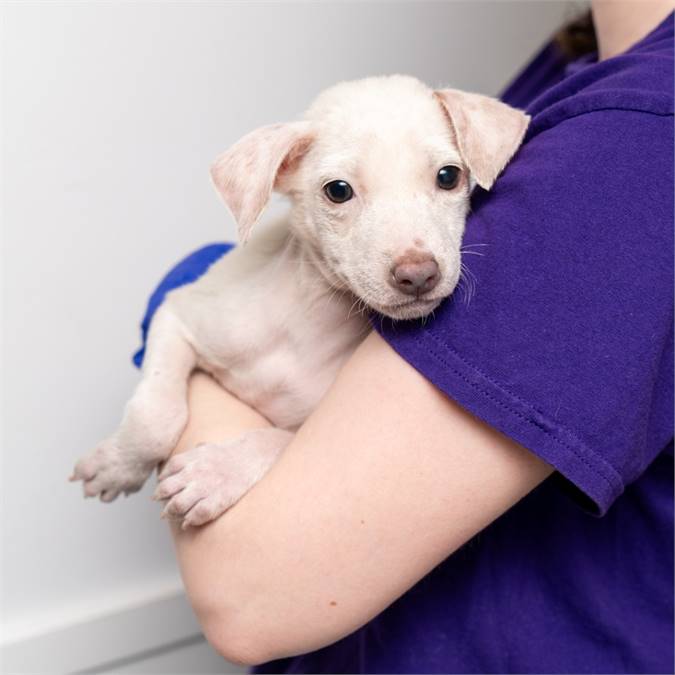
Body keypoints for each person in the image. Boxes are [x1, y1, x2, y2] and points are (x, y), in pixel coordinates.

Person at [135, 2, 674, 672]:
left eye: (446, 177)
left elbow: (250, 593)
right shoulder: (571, 62)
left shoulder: (638, 137)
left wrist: (188, 301)